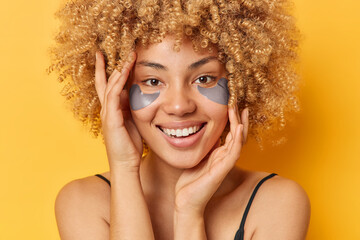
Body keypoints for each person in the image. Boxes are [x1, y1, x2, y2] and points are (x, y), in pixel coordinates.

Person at [50, 0, 310, 239]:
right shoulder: (82, 202)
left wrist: (188, 212)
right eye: (152, 81)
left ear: (239, 83)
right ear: (120, 93)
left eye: (204, 78)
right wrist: (124, 168)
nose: (179, 106)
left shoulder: (277, 202)